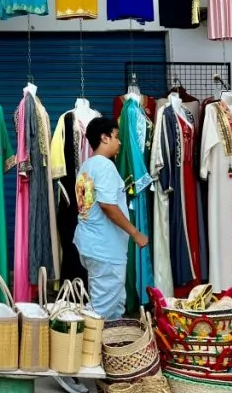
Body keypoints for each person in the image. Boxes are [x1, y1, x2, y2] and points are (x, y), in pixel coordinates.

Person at [76, 116, 149, 319]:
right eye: (116, 136)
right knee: (102, 310)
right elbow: (107, 205)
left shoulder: (86, 166)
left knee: (114, 304)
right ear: (105, 138)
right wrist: (135, 233)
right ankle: (91, 349)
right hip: (104, 248)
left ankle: (111, 346)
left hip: (93, 244)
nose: (120, 142)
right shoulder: (105, 166)